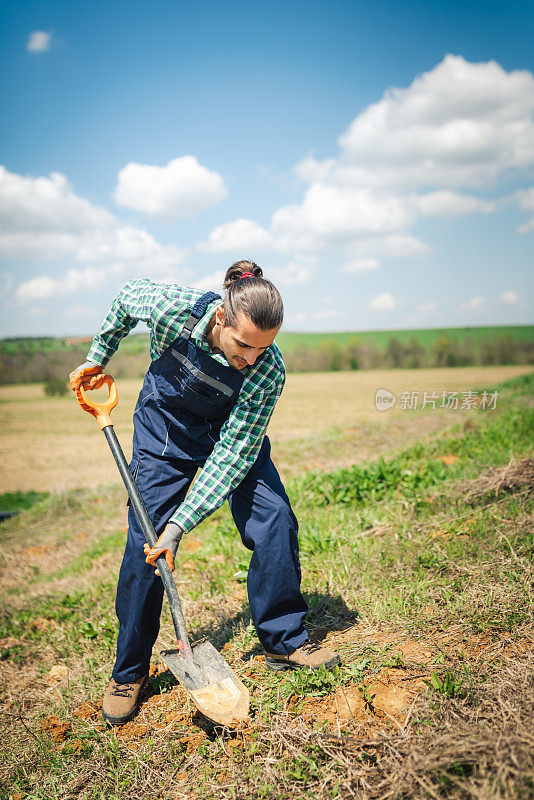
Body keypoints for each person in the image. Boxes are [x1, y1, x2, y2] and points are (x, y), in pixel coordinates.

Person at [70, 260, 340, 725]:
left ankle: (286, 641)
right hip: (165, 433)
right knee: (146, 545)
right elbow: (127, 296)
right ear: (221, 319)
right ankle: (129, 672)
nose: (252, 358)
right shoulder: (174, 308)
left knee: (274, 516)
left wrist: (181, 525)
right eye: (244, 345)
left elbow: (233, 454)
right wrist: (99, 355)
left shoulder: (267, 370)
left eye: (264, 348)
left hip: (229, 435)